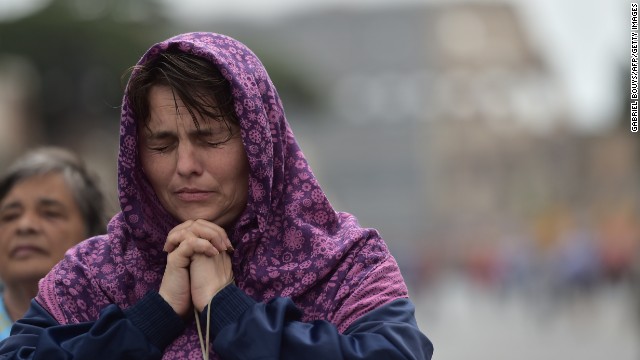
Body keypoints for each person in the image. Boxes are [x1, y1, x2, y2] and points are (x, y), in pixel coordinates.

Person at [0, 32, 433, 359]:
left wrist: (230, 310)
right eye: (162, 144)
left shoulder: (346, 265)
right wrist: (154, 316)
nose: (185, 165)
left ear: (260, 145)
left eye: (210, 139)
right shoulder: (95, 273)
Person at [0, 147, 107, 341]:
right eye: (10, 216)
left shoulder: (115, 330)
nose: (25, 226)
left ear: (93, 235)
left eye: (50, 213)